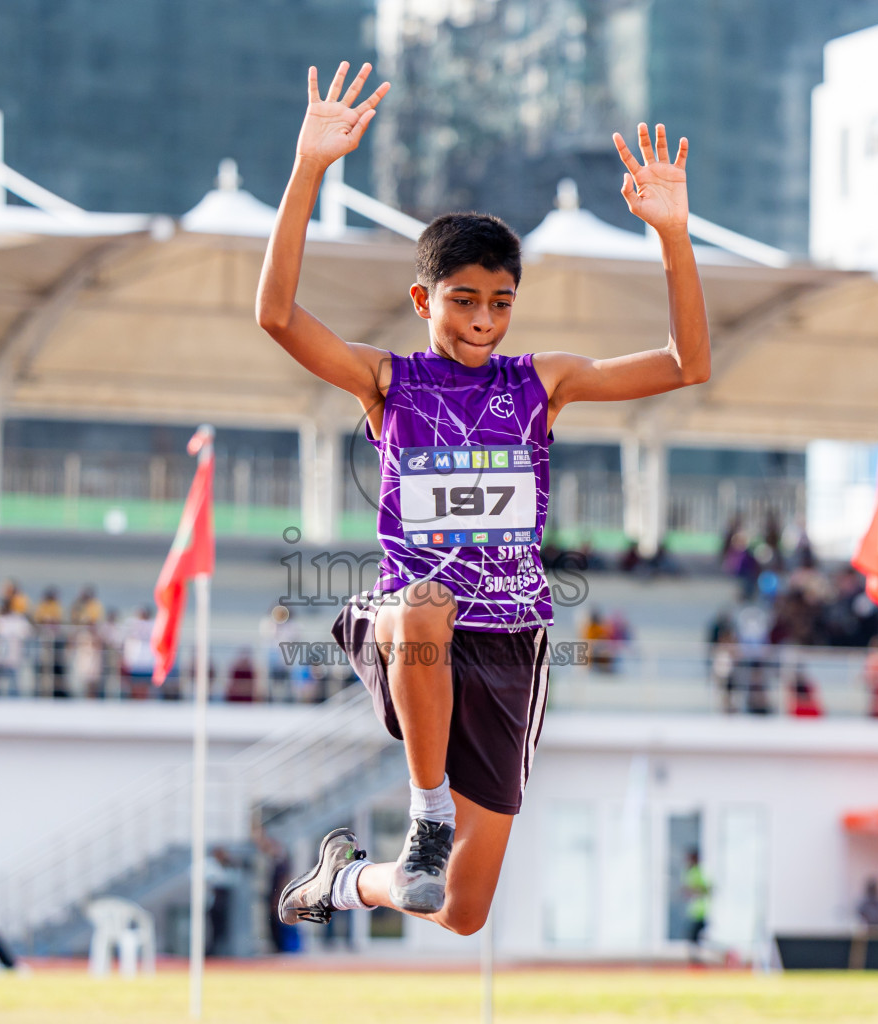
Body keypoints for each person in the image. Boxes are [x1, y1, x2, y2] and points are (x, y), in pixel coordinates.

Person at [263, 61, 710, 935]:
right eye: (463, 301)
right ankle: (428, 813)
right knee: (422, 605)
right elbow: (278, 315)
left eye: (500, 304)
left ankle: (349, 880)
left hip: (512, 647)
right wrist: (310, 168)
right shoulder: (387, 381)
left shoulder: (542, 382)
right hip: (410, 624)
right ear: (424, 299)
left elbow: (685, 364)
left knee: (459, 910)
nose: (481, 321)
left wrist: (673, 235)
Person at [682, 849, 712, 951]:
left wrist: (693, 891)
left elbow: (707, 889)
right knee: (693, 940)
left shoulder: (698, 872)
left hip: (700, 912)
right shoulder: (690, 872)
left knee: (694, 940)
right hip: (694, 912)